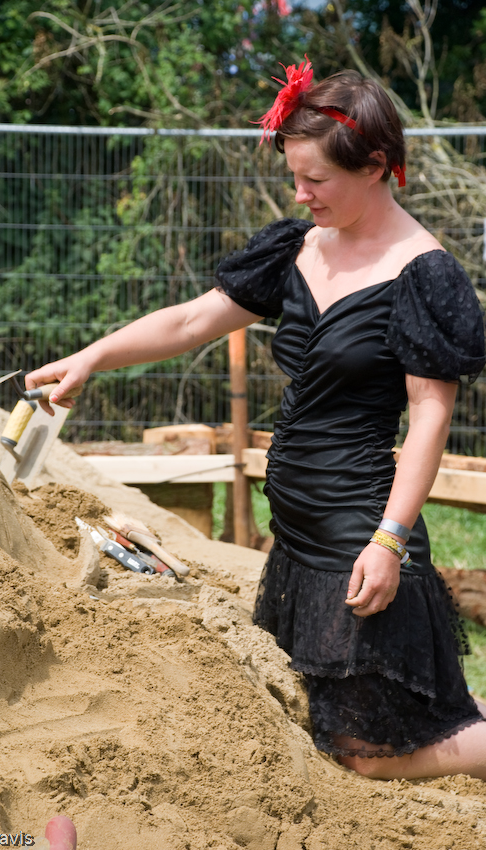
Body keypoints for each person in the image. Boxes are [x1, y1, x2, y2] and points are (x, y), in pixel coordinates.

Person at [26, 59, 486, 780]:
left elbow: (429, 419)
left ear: (375, 166)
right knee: (324, 727)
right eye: (294, 176)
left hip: (358, 534)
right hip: (295, 537)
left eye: (316, 179)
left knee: (365, 756)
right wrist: (92, 357)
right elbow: (191, 321)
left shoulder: (422, 274)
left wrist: (389, 541)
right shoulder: (298, 247)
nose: (300, 194)